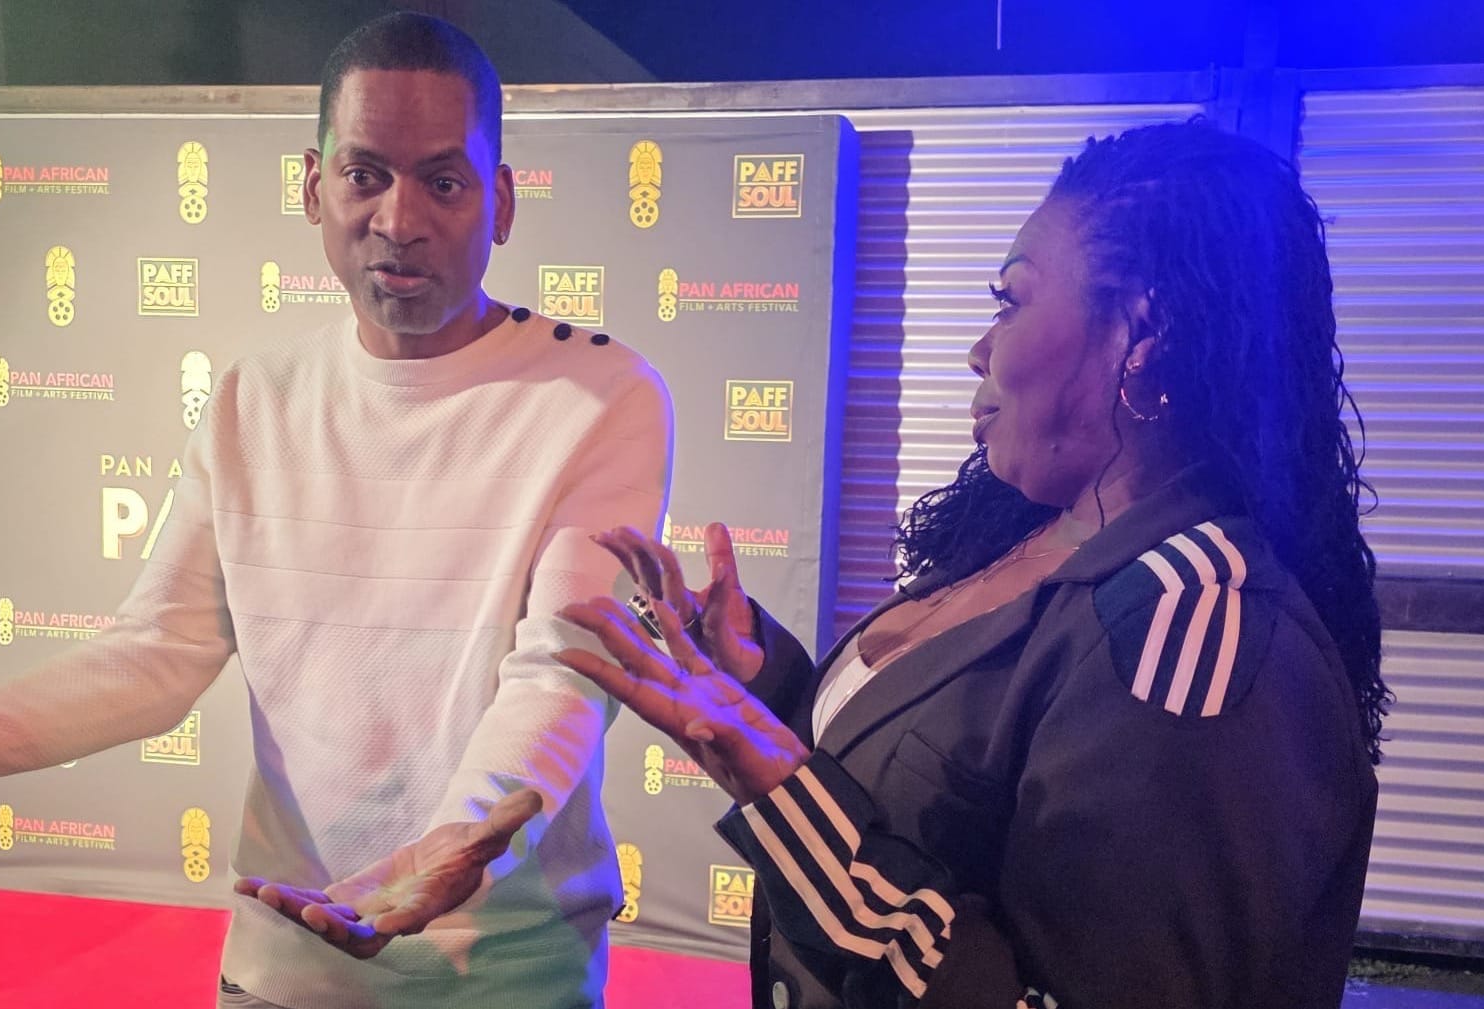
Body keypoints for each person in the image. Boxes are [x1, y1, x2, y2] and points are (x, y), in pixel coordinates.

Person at [553, 119, 1387, 1009]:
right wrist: (764, 683)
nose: (980, 350)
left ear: (1142, 332)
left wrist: (784, 800)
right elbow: (919, 794)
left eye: (1010, 301)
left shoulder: (1195, 630)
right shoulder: (1033, 533)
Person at [0, 12, 672, 1009]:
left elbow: (561, 669)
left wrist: (457, 839)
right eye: (365, 175)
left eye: (443, 181)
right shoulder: (252, 396)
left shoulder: (602, 396)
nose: (399, 219)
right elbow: (156, 654)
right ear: (314, 187)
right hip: (281, 962)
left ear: (502, 202)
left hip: (507, 977)